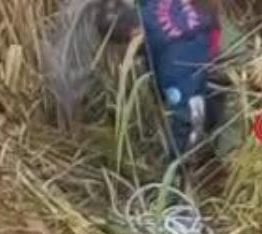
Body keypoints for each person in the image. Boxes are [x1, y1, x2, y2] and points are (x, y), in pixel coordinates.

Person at [97, 0, 228, 164]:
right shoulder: (147, 5)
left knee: (218, 118)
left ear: (133, 36)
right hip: (208, 15)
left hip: (218, 54)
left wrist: (176, 162)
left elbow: (188, 116)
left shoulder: (174, 67)